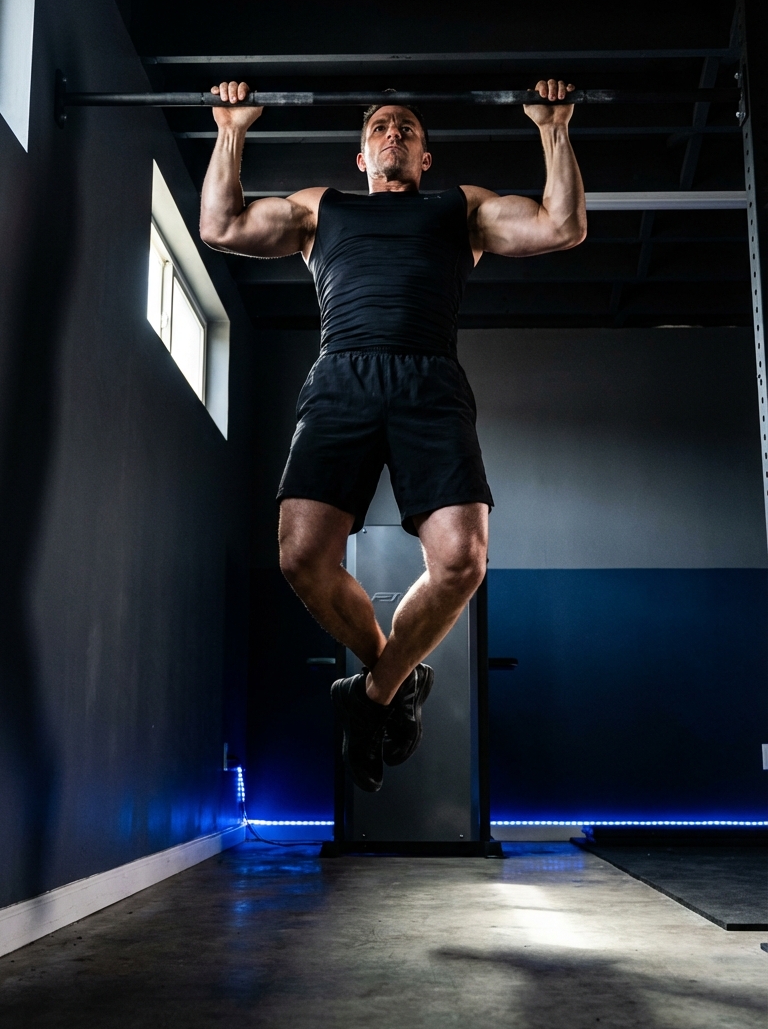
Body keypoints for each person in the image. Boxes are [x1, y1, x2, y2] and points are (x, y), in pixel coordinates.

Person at [200, 78, 586, 793]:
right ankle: (395, 678)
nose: (394, 134)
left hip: (430, 382)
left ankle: (371, 694)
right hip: (341, 377)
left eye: (407, 127)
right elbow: (221, 227)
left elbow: (562, 226)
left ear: (427, 157)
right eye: (380, 126)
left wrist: (553, 127)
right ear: (360, 155)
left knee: (463, 561)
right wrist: (231, 129)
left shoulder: (458, 208)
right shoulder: (324, 209)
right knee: (300, 558)